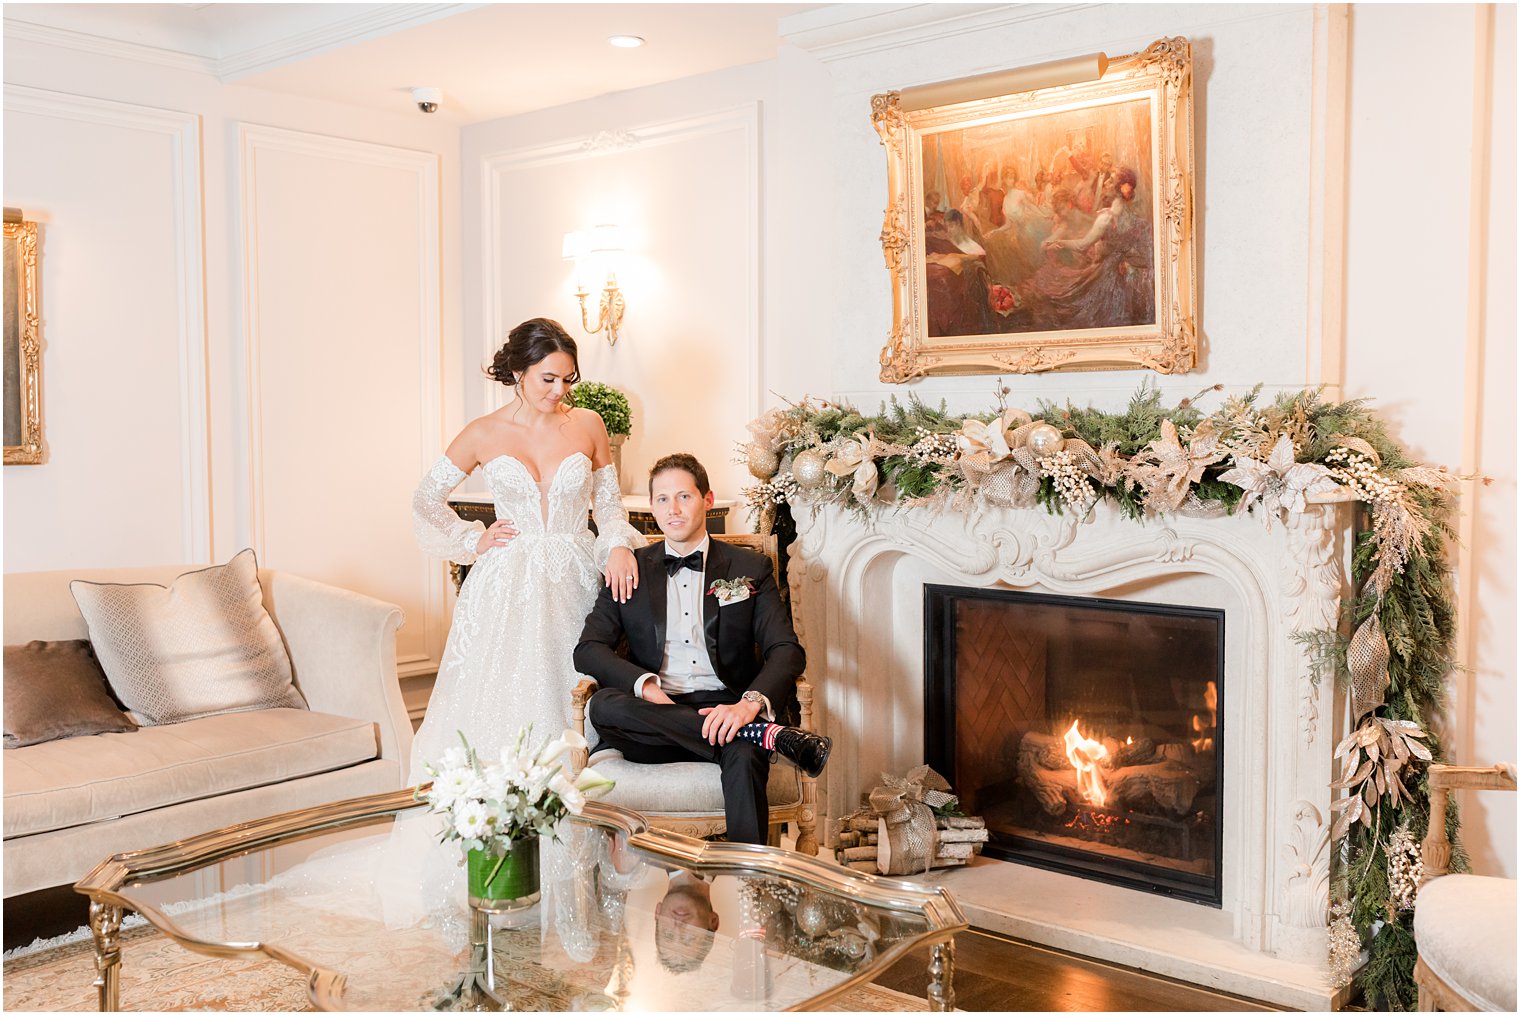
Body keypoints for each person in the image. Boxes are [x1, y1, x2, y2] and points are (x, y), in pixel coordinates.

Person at [410, 317, 643, 776]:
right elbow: (425, 499)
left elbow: (611, 509)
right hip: (506, 585)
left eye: (568, 378)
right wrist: (474, 539)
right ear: (519, 372)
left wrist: (617, 545)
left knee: (576, 694)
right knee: (502, 704)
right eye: (548, 378)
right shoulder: (482, 432)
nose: (559, 390)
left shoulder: (589, 425)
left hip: (573, 577)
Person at [573, 453, 830, 845]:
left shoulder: (750, 567)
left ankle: (752, 886)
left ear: (707, 499)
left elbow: (786, 650)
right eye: (661, 499)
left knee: (743, 758)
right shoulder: (630, 568)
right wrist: (644, 685)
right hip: (651, 720)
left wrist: (747, 706)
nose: (672, 510)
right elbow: (588, 650)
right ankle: (764, 734)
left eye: (684, 497)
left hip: (727, 710)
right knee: (604, 705)